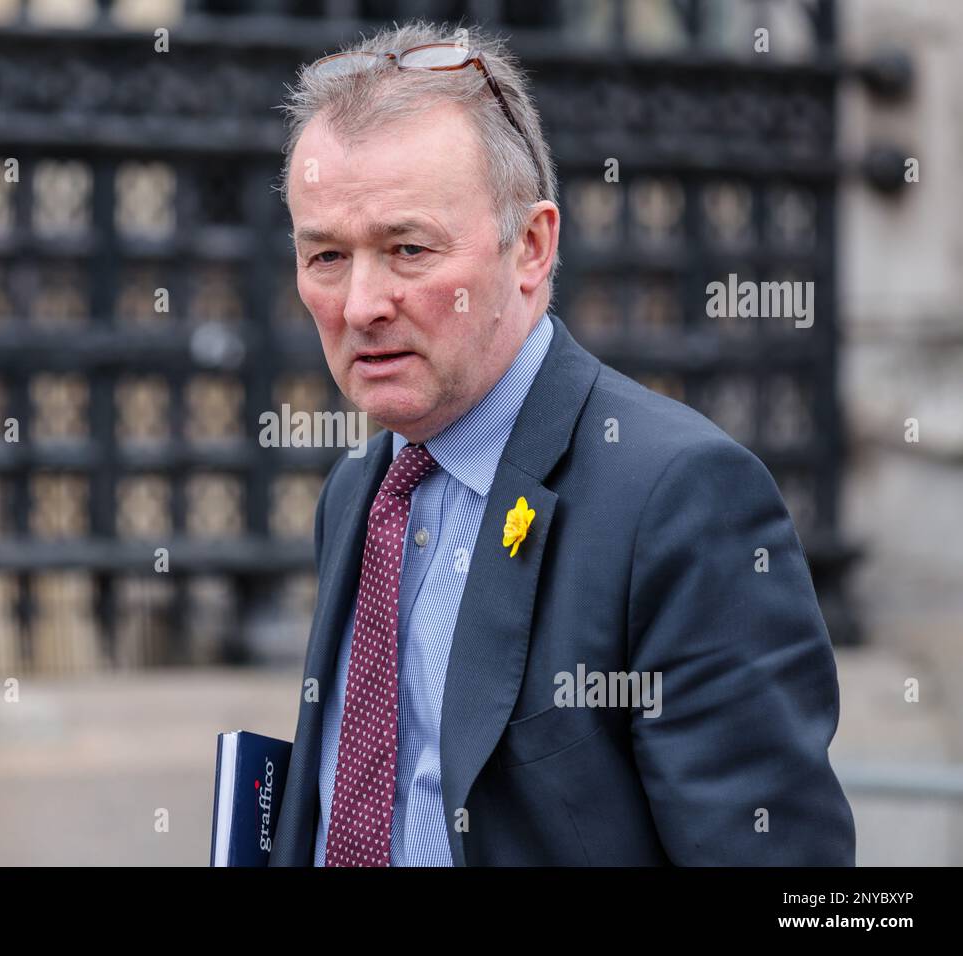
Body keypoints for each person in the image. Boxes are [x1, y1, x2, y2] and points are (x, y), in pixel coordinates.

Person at [267, 20, 855, 866]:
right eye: (326, 255)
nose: (361, 304)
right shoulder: (359, 490)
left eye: (408, 249)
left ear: (531, 248)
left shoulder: (681, 498)